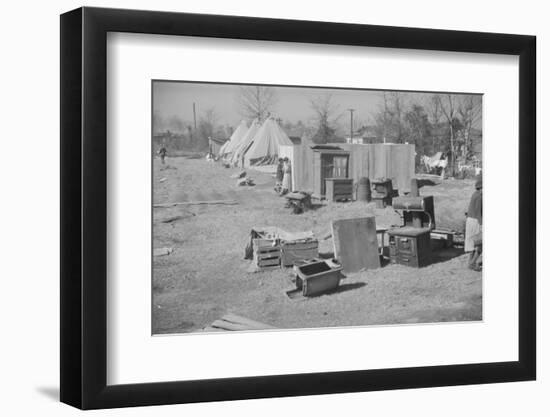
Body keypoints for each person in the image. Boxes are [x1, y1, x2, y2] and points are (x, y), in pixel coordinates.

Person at [465, 175, 482, 271]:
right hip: (475, 221)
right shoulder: (480, 196)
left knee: (472, 244)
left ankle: (470, 262)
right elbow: (478, 212)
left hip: (470, 220)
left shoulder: (475, 194)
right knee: (480, 244)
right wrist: (482, 224)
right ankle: (472, 263)